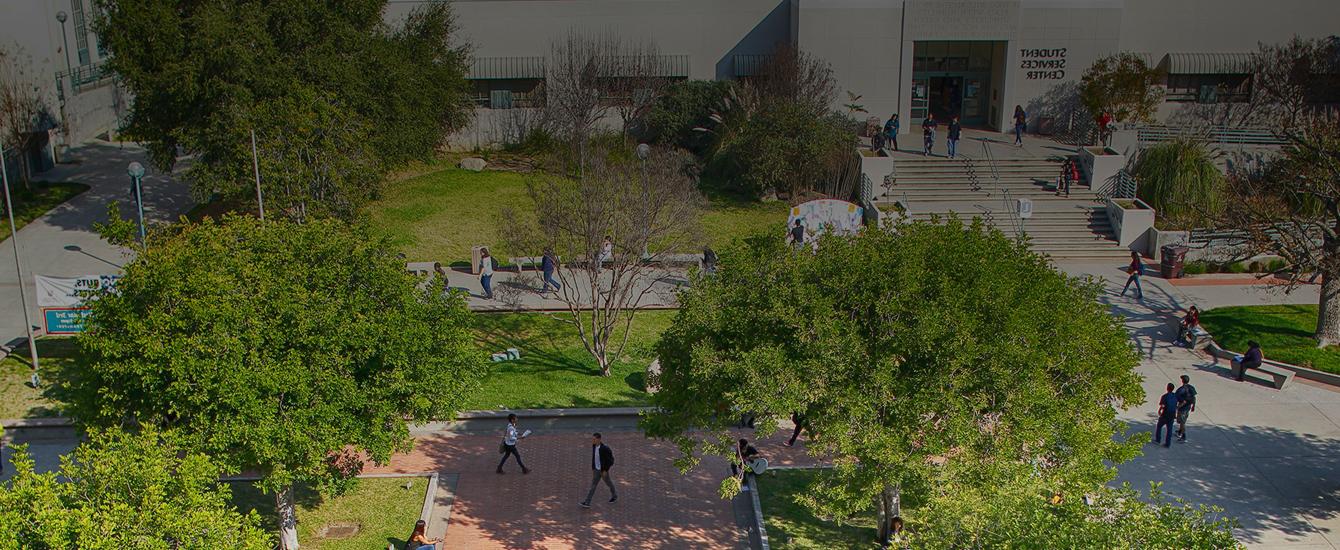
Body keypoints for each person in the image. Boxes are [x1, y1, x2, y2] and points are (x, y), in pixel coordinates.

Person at [581, 433, 617, 508]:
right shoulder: (594, 446)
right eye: (592, 439)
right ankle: (587, 502)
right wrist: (593, 468)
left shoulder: (605, 448)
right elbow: (595, 458)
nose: (592, 440)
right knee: (593, 486)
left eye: (594, 439)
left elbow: (611, 460)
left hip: (603, 471)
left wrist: (605, 470)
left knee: (609, 483)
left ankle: (614, 496)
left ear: (599, 439)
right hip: (596, 471)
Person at [1155, 382, 1178, 448]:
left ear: (1167, 388)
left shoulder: (1165, 396)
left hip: (1165, 414)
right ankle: (1168, 443)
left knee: (1159, 426)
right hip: (1172, 415)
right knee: (1169, 429)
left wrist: (1160, 411)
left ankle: (1158, 440)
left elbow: (1162, 405)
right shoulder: (1175, 396)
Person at [1175, 374, 1197, 442]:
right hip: (1188, 407)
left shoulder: (1181, 390)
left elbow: (1177, 398)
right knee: (1182, 421)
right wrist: (1193, 406)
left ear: (1182, 381)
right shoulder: (1191, 388)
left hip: (1182, 408)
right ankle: (1180, 431)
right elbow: (1194, 398)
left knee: (1182, 422)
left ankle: (1183, 436)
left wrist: (1177, 407)